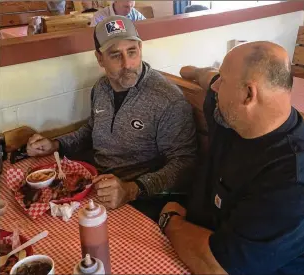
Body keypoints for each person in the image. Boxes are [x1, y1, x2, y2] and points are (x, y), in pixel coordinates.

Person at [158, 41, 304, 275]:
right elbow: (209, 77)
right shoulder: (233, 116)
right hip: (199, 241)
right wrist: (194, 72)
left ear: (249, 94)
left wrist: (171, 221)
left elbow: (217, 266)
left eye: (224, 81)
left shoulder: (294, 183)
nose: (216, 87)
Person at [26, 16, 197, 219]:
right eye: (115, 55)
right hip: (94, 183)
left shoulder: (168, 100)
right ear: (100, 58)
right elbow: (92, 129)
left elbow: (185, 165)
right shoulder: (101, 88)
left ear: (140, 48)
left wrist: (131, 189)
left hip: (141, 198)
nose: (127, 64)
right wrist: (56, 144)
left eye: (132, 52)